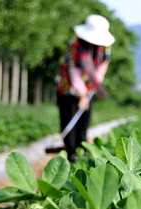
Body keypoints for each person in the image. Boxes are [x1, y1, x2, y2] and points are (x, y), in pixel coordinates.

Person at [57, 15, 115, 161]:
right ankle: (71, 153)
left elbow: (102, 67)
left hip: (90, 87)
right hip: (69, 87)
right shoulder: (75, 46)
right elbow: (73, 73)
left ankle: (82, 150)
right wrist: (82, 94)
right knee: (70, 118)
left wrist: (92, 89)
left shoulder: (105, 48)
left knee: (84, 120)